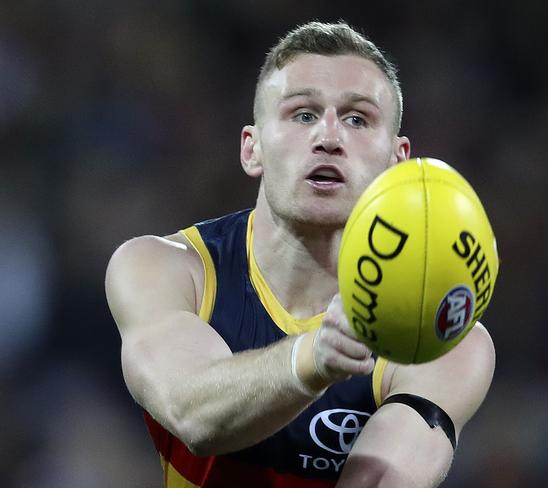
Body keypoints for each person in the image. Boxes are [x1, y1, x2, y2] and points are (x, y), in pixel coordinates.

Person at [105, 21, 495, 487]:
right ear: (253, 150)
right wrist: (315, 359)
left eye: (357, 119)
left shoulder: (439, 340)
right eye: (303, 114)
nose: (329, 137)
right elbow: (193, 415)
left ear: (398, 163)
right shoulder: (163, 269)